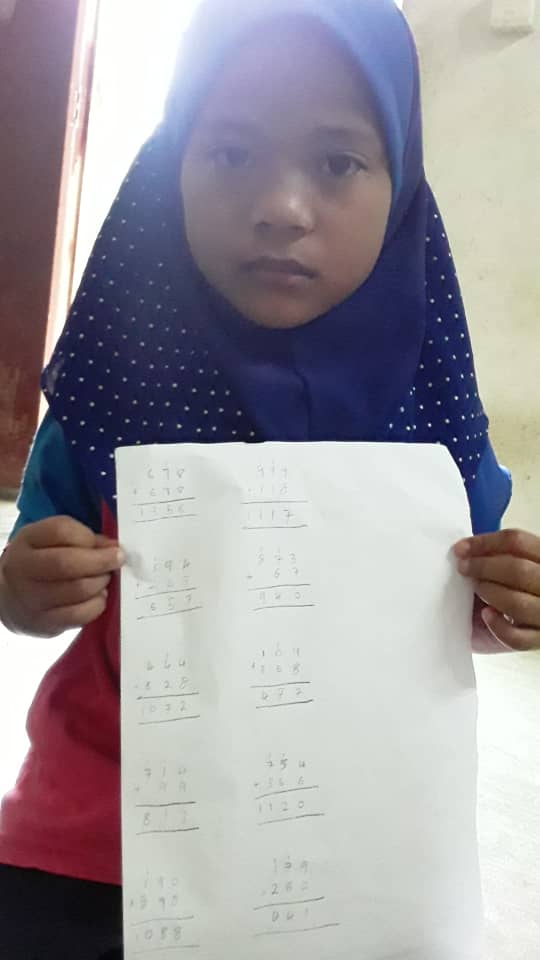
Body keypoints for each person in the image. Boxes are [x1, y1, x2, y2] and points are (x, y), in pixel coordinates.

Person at [1, 0, 539, 956]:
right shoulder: (109, 394)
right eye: (230, 152)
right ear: (172, 167)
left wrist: (510, 606)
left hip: (339, 852)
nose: (281, 207)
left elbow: (459, 617)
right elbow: (26, 587)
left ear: (402, 184)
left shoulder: (436, 423)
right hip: (99, 841)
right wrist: (25, 591)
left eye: (337, 162)